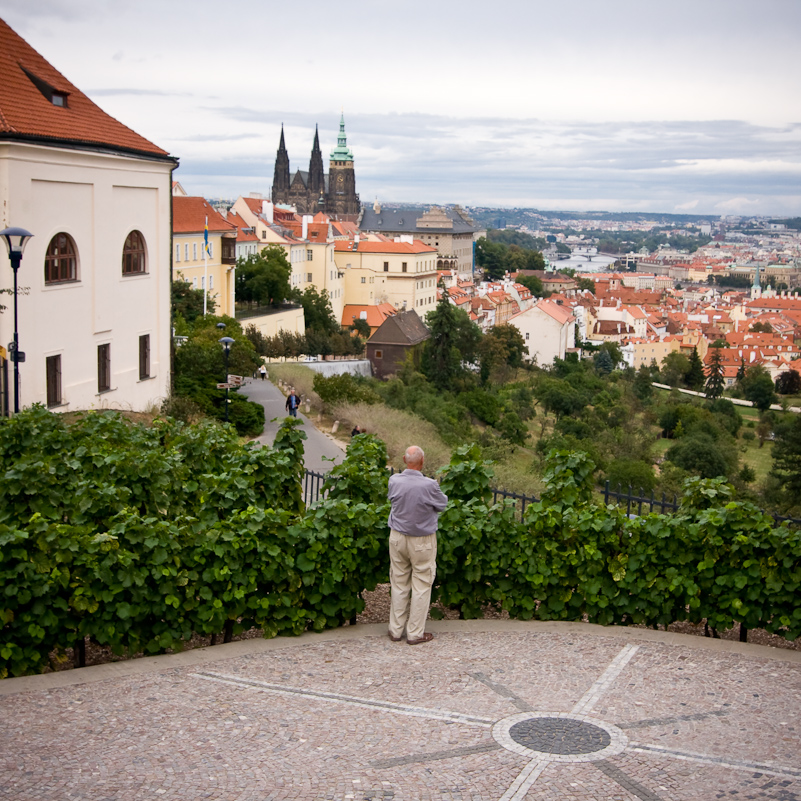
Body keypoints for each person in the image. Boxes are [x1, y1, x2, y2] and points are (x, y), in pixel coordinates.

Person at [387, 445, 448, 645]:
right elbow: (442, 504)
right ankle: (414, 633)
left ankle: (395, 630)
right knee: (421, 584)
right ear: (423, 462)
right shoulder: (429, 485)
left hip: (397, 536)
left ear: (405, 460)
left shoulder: (394, 480)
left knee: (398, 581)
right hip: (422, 539)